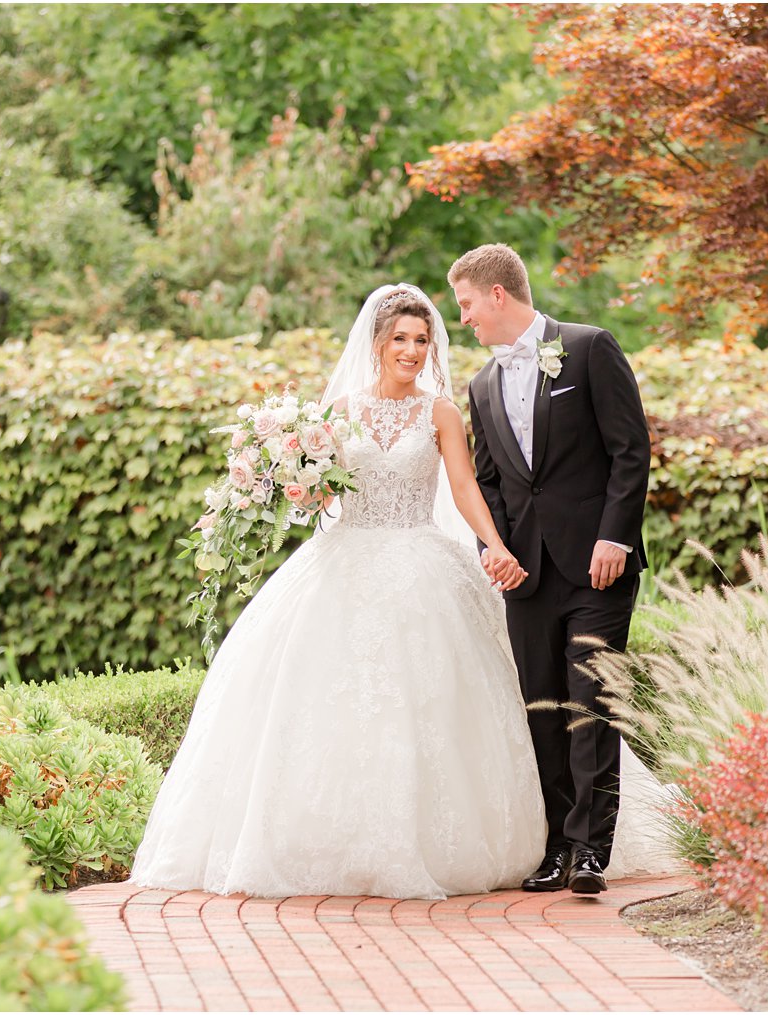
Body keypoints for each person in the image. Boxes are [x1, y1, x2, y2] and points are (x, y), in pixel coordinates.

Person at [130, 284, 546, 899]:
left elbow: (463, 487)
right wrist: (284, 484)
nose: (410, 350)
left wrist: (495, 546)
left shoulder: (442, 413)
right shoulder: (339, 413)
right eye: (400, 339)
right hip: (341, 563)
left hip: (420, 561)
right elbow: (316, 490)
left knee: (425, 699)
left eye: (421, 339)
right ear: (376, 343)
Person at [453, 243, 653, 894]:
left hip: (597, 568)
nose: (464, 319)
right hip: (528, 577)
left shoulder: (590, 348)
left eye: (467, 303)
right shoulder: (481, 386)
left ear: (499, 294)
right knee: (543, 708)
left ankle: (593, 850)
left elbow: (631, 450)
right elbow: (489, 483)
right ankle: (556, 847)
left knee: (590, 703)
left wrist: (615, 537)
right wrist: (493, 552)